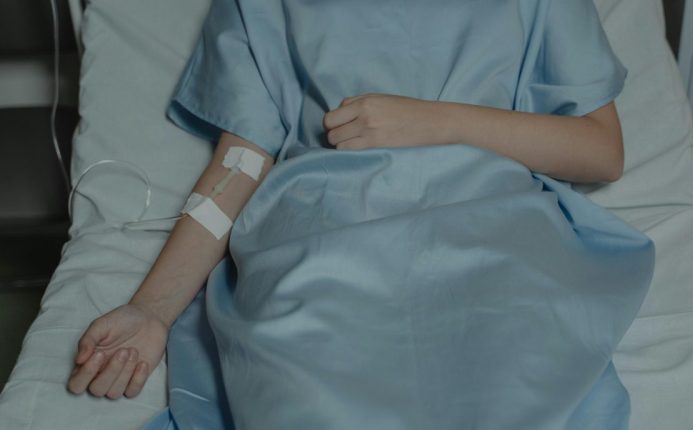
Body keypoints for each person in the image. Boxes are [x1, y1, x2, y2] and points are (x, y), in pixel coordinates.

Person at [67, 0, 654, 428]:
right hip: (322, 230)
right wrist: (152, 309)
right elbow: (240, 165)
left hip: (489, 225)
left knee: (507, 385)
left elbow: (600, 150)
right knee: (310, 399)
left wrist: (437, 121)